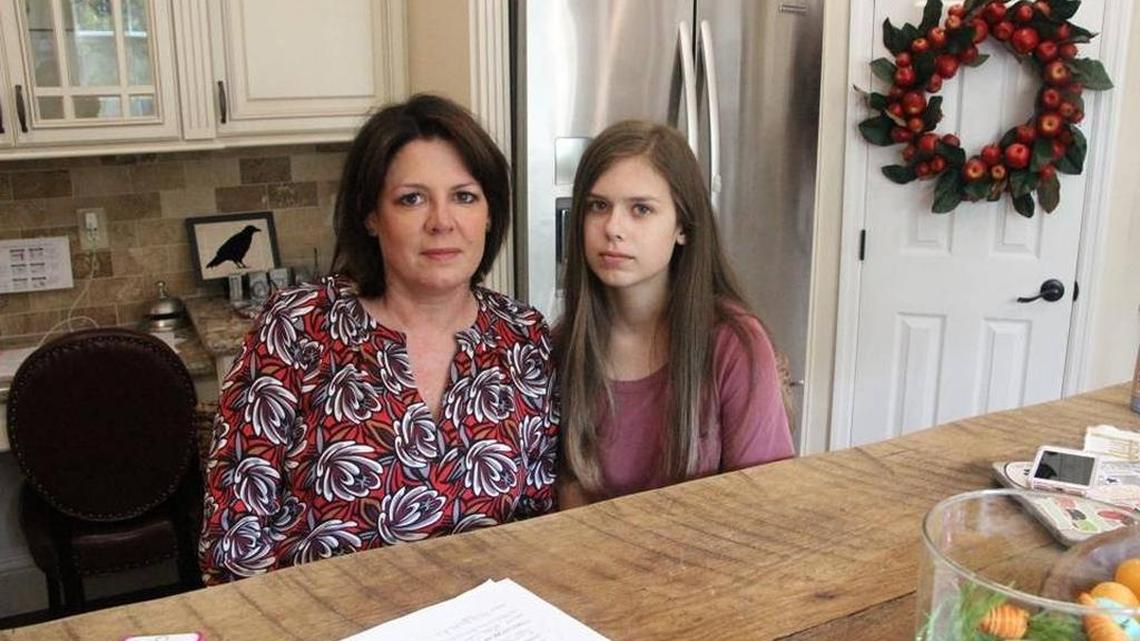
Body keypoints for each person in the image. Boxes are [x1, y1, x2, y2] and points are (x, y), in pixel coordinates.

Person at [199, 94, 559, 584]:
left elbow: (540, 525)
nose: (441, 221)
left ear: (490, 214)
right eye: (412, 198)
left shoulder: (524, 338)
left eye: (465, 196)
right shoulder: (296, 330)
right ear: (371, 216)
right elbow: (231, 544)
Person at [556, 120, 794, 505]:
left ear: (683, 225)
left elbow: (765, 503)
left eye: (641, 209)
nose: (613, 227)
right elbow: (567, 492)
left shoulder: (734, 344)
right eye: (598, 206)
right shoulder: (562, 343)